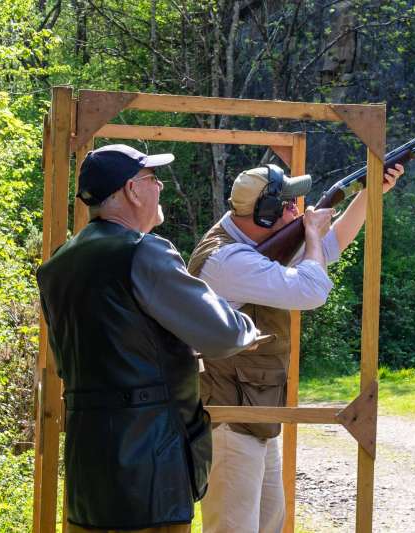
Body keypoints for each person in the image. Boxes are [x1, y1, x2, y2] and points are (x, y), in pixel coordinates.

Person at [37, 144, 260, 532]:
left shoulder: (57, 264)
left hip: (87, 473)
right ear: (131, 190)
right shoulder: (144, 253)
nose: (160, 187)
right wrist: (248, 329)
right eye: (152, 179)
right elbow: (224, 335)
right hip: (151, 471)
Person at [187, 162, 404, 533]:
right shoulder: (229, 260)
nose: (297, 209)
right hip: (227, 418)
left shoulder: (249, 243)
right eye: (288, 204)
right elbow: (312, 289)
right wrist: (312, 235)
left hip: (253, 411)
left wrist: (370, 194)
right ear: (265, 213)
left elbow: (330, 247)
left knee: (270, 522)